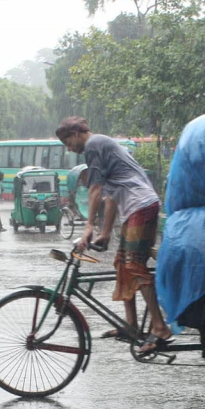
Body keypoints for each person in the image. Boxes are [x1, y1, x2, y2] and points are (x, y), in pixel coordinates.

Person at [56, 116, 172, 355]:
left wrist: (88, 226)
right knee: (122, 263)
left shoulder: (94, 145)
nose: (69, 148)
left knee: (134, 264)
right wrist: (105, 232)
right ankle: (131, 326)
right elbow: (111, 196)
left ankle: (160, 328)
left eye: (68, 142)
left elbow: (96, 189)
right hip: (133, 209)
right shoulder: (100, 146)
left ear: (77, 133)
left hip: (142, 205)